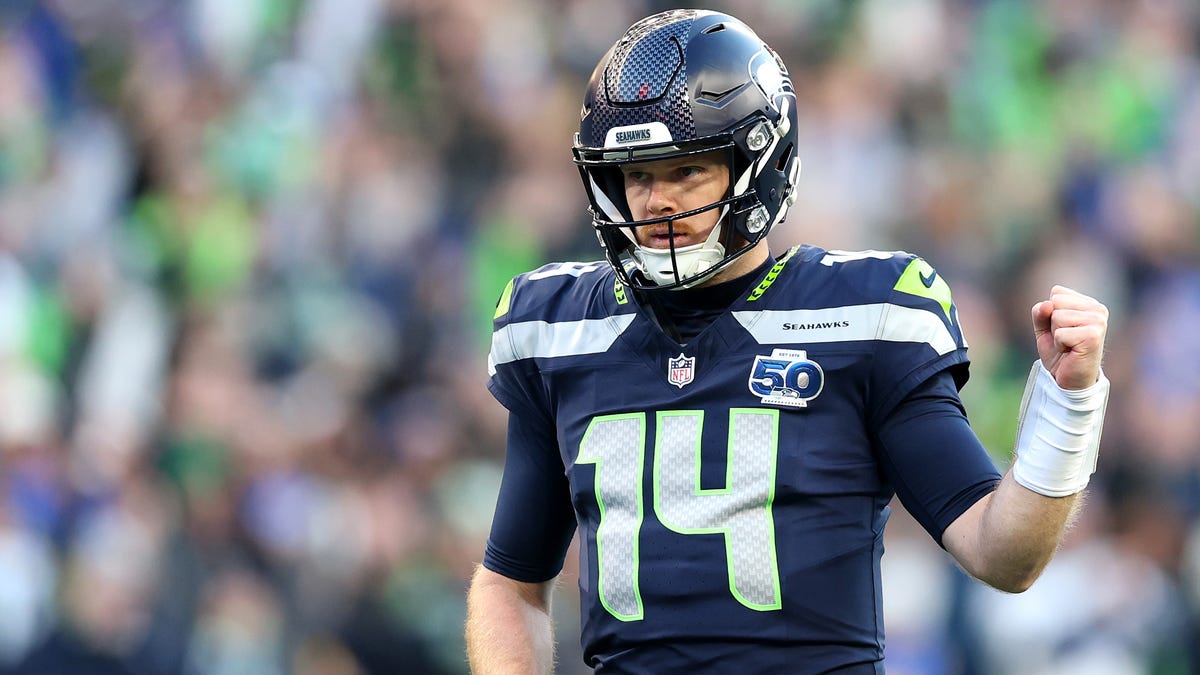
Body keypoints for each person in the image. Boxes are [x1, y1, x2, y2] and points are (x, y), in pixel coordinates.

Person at [465, 9, 1110, 674]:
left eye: (686, 170)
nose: (656, 201)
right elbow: (510, 583)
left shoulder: (865, 315)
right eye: (638, 174)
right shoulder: (559, 328)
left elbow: (1002, 554)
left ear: (760, 162)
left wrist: (1069, 406)